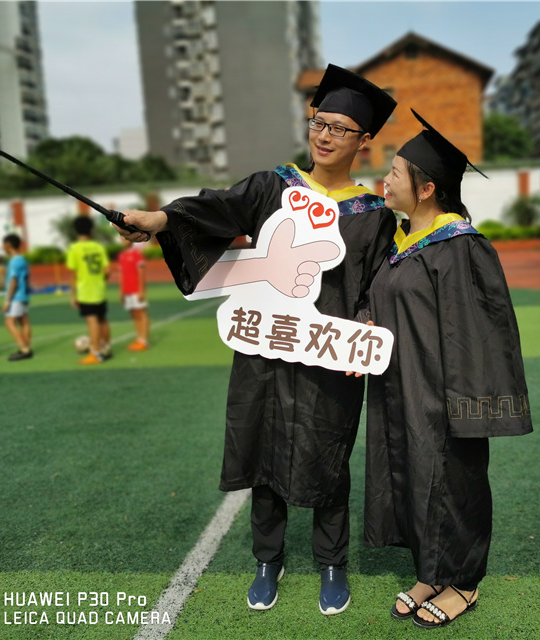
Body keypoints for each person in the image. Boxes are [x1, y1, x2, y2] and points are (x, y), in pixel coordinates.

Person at [114, 65, 397, 616]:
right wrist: (160, 219)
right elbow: (216, 208)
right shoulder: (273, 187)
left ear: (363, 140)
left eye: (340, 128)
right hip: (265, 344)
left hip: (326, 352)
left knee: (329, 453)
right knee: (262, 448)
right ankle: (268, 559)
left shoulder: (373, 214)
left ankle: (331, 561)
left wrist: (365, 320)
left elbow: (378, 283)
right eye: (318, 122)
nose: (324, 135)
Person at [362, 111, 533, 629]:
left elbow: (476, 332)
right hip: (400, 386)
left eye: (395, 172)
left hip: (442, 393)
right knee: (412, 478)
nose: (385, 178)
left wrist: (466, 407)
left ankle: (463, 583)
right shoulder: (399, 245)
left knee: (451, 482)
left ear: (427, 188)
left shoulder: (459, 246)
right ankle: (431, 572)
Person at [66, 216, 111, 365]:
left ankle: (95, 353)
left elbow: (73, 274)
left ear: (75, 230)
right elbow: (107, 270)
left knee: (92, 322)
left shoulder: (74, 248)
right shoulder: (98, 247)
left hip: (86, 291)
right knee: (102, 320)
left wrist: (72, 295)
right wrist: (100, 280)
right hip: (100, 289)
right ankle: (106, 347)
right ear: (91, 229)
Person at [1, 234, 33, 361]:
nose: (2, 248)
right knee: (24, 322)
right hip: (23, 294)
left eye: (3, 245)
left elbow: (13, 280)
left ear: (8, 245)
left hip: (16, 296)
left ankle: (24, 349)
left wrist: (7, 300)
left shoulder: (14, 261)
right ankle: (27, 347)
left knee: (9, 323)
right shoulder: (23, 260)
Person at [117, 238, 150, 351]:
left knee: (141, 313)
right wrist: (121, 292)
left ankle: (144, 340)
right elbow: (121, 275)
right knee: (134, 314)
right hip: (127, 290)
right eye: (122, 238)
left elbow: (141, 274)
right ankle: (139, 338)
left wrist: (141, 290)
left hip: (136, 290)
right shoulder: (122, 255)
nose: (125, 240)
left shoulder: (137, 254)